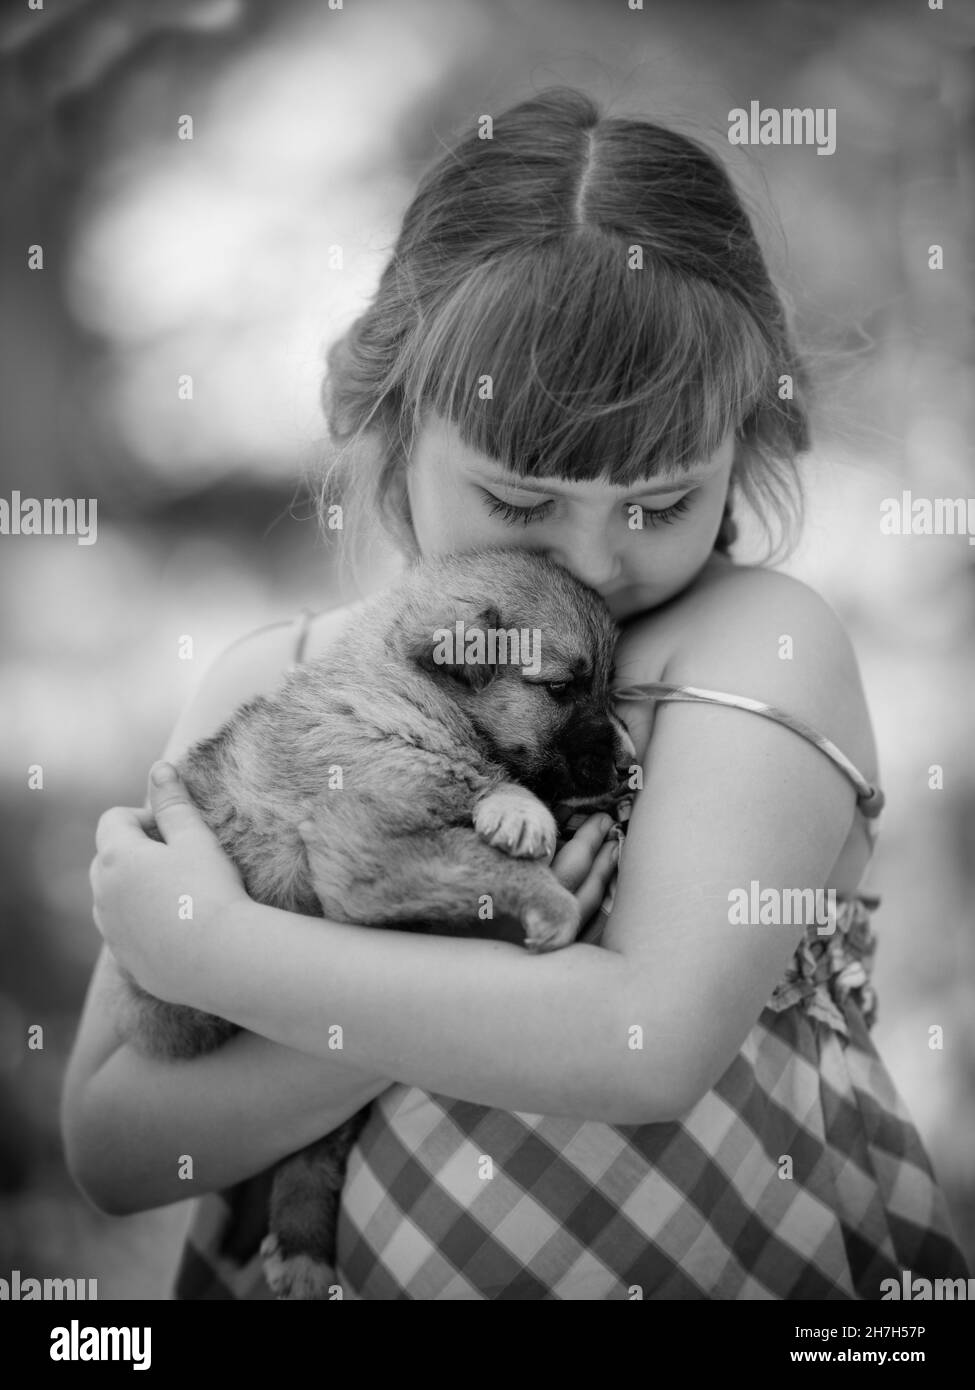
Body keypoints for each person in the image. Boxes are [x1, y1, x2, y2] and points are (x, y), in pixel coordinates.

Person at [65, 87, 968, 1300]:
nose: (595, 563)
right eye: (525, 501)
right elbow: (116, 1142)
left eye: (659, 504)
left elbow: (645, 1044)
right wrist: (440, 967)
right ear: (376, 412)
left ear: (750, 447)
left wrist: (225, 952)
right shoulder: (268, 685)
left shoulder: (754, 644)